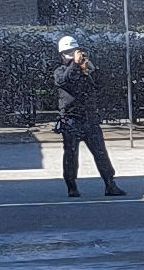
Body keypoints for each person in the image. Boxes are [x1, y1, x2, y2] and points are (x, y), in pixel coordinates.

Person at [52, 36, 127, 197]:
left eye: (74, 52)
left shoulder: (84, 70)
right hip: (71, 121)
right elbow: (66, 81)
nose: (72, 55)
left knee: (101, 153)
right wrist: (75, 64)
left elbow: (101, 83)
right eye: (68, 53)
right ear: (62, 55)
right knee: (71, 155)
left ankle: (110, 184)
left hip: (90, 119)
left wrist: (90, 68)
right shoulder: (60, 71)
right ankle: (71, 186)